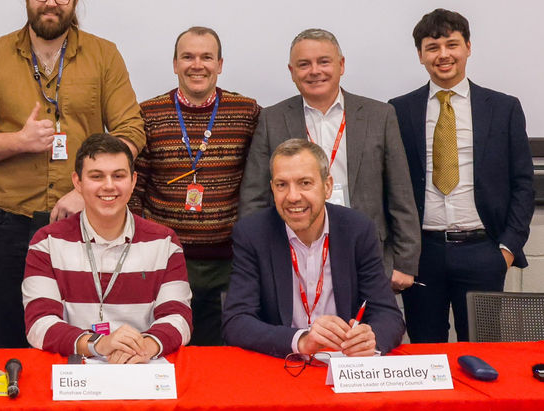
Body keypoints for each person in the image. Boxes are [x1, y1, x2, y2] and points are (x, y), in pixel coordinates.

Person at [0, 0, 145, 348]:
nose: (52, 2)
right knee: (11, 342)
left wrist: (87, 190)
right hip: (12, 227)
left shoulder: (104, 55)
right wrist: (18, 141)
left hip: (86, 225)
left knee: (84, 340)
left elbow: (131, 131)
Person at [388, 9, 534, 343]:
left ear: (468, 47)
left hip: (483, 251)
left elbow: (523, 184)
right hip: (422, 254)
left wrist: (507, 249)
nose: (443, 55)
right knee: (426, 351)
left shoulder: (504, 108)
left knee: (484, 353)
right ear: (420, 55)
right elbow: (390, 185)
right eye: (432, 47)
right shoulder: (398, 110)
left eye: (452, 44)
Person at [238, 28, 420, 293]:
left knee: (365, 320)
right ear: (292, 71)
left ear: (341, 65)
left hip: (366, 252)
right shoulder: (272, 119)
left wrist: (405, 261)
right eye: (304, 64)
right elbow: (254, 197)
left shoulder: (379, 115)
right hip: (292, 252)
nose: (315, 71)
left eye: (323, 62)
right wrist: (256, 258)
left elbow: (400, 192)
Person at [128, 27, 260, 346]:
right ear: (175, 64)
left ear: (220, 64)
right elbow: (135, 189)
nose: (197, 65)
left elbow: (258, 183)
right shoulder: (148, 113)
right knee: (169, 345)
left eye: (206, 57)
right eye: (188, 57)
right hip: (166, 259)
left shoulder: (247, 112)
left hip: (229, 261)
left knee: (222, 351)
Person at [223, 139, 404, 358]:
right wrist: (300, 340)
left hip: (344, 363)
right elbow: (236, 321)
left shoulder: (357, 229)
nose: (293, 196)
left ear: (327, 186)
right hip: (282, 362)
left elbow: (388, 315)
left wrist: (371, 338)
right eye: (282, 185)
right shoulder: (253, 233)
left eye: (305, 183)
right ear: (272, 188)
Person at [23, 134, 192, 363]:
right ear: (77, 182)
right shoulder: (47, 243)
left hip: (140, 365)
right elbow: (39, 324)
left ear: (133, 181)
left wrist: (145, 347)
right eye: (97, 176)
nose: (109, 185)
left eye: (118, 176)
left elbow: (178, 318)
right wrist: (98, 344)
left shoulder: (165, 242)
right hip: (73, 369)